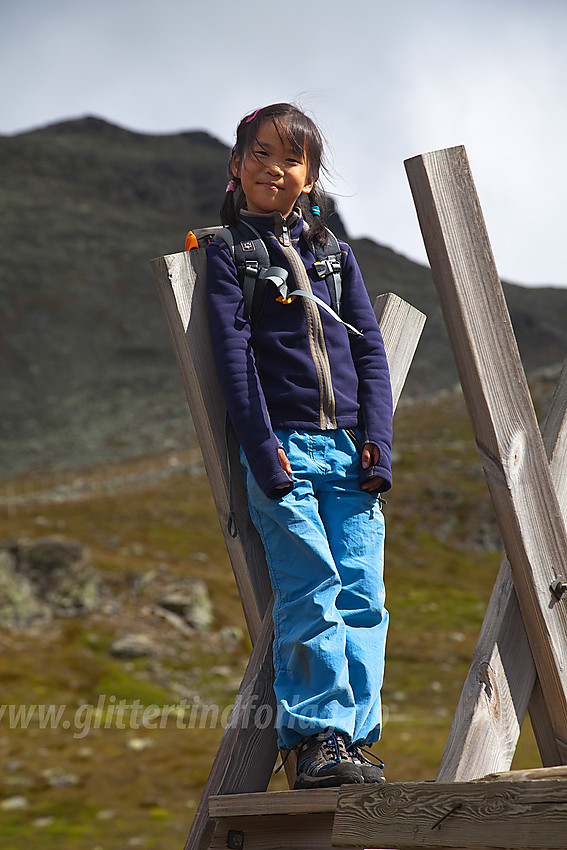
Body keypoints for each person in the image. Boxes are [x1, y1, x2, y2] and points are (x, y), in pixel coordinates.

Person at [206, 103, 392, 789]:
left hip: (348, 452)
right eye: (259, 153)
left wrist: (378, 442)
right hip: (282, 450)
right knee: (310, 586)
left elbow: (369, 350)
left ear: (310, 178)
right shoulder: (228, 254)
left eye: (290, 158)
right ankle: (317, 740)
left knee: (363, 594)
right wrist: (261, 452)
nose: (271, 168)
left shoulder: (334, 255)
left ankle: (352, 741)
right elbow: (234, 361)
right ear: (236, 164)